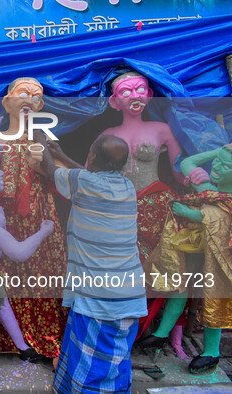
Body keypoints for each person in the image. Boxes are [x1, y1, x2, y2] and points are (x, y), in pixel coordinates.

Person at [0, 77, 67, 360]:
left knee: (39, 277)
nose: (30, 99)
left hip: (38, 216)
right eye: (23, 93)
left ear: (40, 105)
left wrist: (44, 165)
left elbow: (67, 179)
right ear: (7, 102)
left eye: (36, 96)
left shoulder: (44, 139)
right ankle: (3, 341)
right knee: (1, 281)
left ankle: (41, 338)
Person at [35, 134, 147, 393]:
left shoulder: (83, 182)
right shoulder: (127, 186)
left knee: (93, 374)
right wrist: (62, 153)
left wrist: (42, 144)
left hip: (100, 301)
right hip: (128, 296)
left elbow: (52, 172)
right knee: (114, 363)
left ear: (93, 156)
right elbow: (88, 173)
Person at [98, 72, 187, 343]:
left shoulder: (162, 129)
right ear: (114, 101)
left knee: (163, 264)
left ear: (149, 95)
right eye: (126, 91)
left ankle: (162, 332)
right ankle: (121, 327)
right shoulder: (107, 135)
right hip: (120, 206)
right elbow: (93, 174)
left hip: (157, 204)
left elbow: (179, 171)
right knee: (122, 268)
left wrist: (198, 177)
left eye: (140, 89)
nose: (135, 95)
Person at [139, 144, 232, 374]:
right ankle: (161, 334)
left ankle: (211, 351)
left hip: (219, 262)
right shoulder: (209, 189)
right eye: (217, 163)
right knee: (179, 289)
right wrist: (220, 151)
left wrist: (191, 214)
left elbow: (219, 220)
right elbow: (187, 165)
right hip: (194, 251)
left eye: (226, 165)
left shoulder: (224, 199)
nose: (217, 168)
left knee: (213, 301)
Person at [0, 153, 55, 383]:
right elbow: (17, 253)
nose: (3, 172)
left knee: (2, 305)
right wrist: (43, 232)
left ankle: (23, 347)